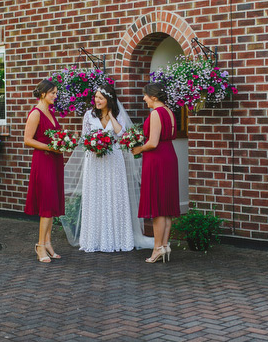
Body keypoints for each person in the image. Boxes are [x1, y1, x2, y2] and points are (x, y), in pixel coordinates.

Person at [61, 84, 153, 252]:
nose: (97, 100)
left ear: (109, 100)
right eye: (96, 97)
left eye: (101, 98)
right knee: (95, 196)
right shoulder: (89, 115)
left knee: (114, 195)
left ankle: (117, 239)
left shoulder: (117, 115)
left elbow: (121, 135)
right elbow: (85, 137)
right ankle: (94, 239)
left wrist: (111, 116)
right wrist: (95, 144)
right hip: (94, 161)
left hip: (113, 161)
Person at [132, 83, 180, 263]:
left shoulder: (155, 114)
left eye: (145, 95)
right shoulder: (169, 112)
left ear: (153, 97)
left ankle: (157, 248)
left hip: (157, 158)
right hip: (169, 156)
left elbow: (152, 142)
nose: (144, 99)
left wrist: (138, 149)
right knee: (165, 205)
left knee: (158, 206)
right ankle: (165, 245)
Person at [24, 79, 65, 263]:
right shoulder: (36, 113)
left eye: (56, 93)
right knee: (46, 205)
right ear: (43, 94)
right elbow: (27, 140)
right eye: (53, 93)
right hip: (43, 161)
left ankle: (48, 242)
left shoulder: (50, 112)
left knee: (52, 202)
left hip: (54, 160)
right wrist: (50, 148)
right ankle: (40, 245)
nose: (55, 96)